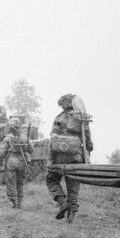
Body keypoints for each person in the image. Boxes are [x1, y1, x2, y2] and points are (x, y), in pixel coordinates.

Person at [45, 93, 93, 222]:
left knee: (51, 179)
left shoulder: (59, 118)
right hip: (77, 156)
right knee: (73, 184)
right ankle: (71, 214)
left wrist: (50, 159)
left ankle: (62, 202)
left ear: (63, 105)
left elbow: (53, 138)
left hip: (60, 157)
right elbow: (87, 136)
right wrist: (89, 148)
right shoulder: (81, 116)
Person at [0, 117, 33, 208]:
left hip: (11, 162)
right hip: (22, 162)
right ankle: (20, 203)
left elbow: (1, 153)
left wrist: (0, 161)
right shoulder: (25, 137)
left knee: (11, 183)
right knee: (20, 183)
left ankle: (15, 203)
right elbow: (31, 150)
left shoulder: (8, 138)